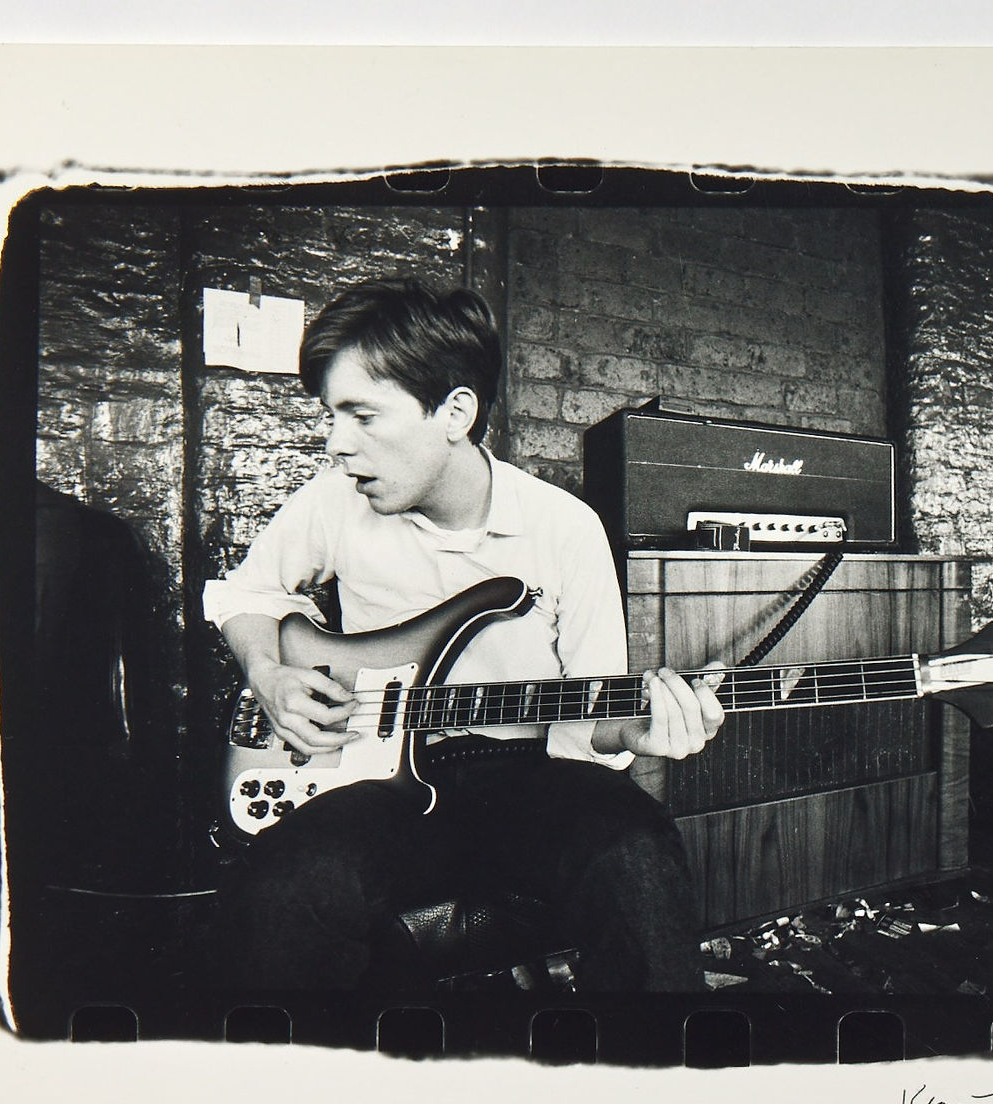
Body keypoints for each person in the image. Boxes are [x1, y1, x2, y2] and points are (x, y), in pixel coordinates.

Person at [204, 279, 724, 1021]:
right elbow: (247, 596)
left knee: (634, 851)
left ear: (454, 413)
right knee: (284, 892)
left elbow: (594, 699)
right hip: (372, 778)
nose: (335, 442)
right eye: (331, 417)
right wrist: (268, 674)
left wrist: (636, 731)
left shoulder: (564, 529)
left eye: (361, 416)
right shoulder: (333, 501)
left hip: (527, 779)